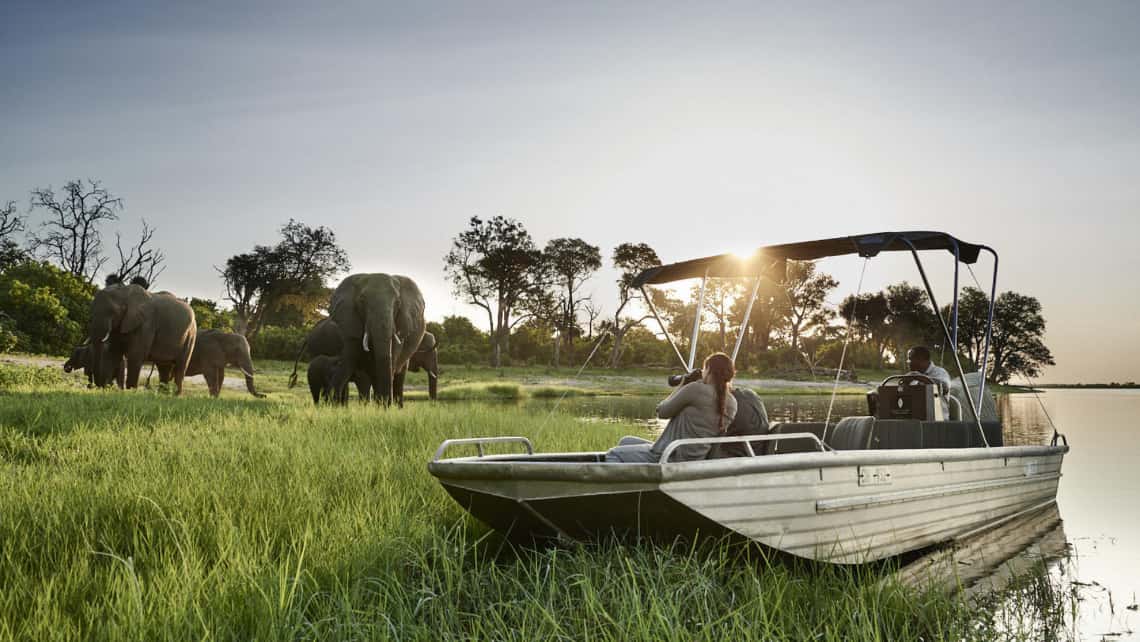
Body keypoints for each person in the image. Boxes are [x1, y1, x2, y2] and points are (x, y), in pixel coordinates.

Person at [606, 352, 738, 463]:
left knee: (613, 454)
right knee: (625, 441)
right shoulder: (733, 402)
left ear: (709, 370)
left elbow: (662, 412)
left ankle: (633, 490)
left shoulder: (696, 389)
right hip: (695, 459)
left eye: (704, 369)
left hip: (669, 456)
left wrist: (682, 385)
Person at [906, 345, 951, 418]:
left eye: (910, 359)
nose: (908, 363)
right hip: (916, 419)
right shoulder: (912, 376)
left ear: (921, 359)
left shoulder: (940, 372)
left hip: (937, 420)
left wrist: (919, 377)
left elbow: (944, 388)